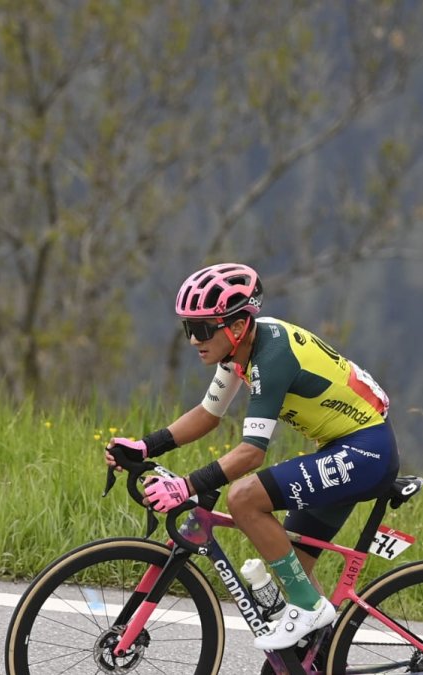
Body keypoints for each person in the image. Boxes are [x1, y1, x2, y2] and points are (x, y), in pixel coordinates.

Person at [105, 262, 399, 651]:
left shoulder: (272, 357)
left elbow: (251, 454)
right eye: (187, 328)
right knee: (293, 569)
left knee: (244, 498)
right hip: (343, 449)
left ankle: (310, 611)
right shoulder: (240, 350)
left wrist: (187, 485)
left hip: (365, 451)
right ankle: (315, 651)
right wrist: (146, 446)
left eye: (202, 328)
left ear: (238, 326)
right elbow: (208, 414)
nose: (193, 340)